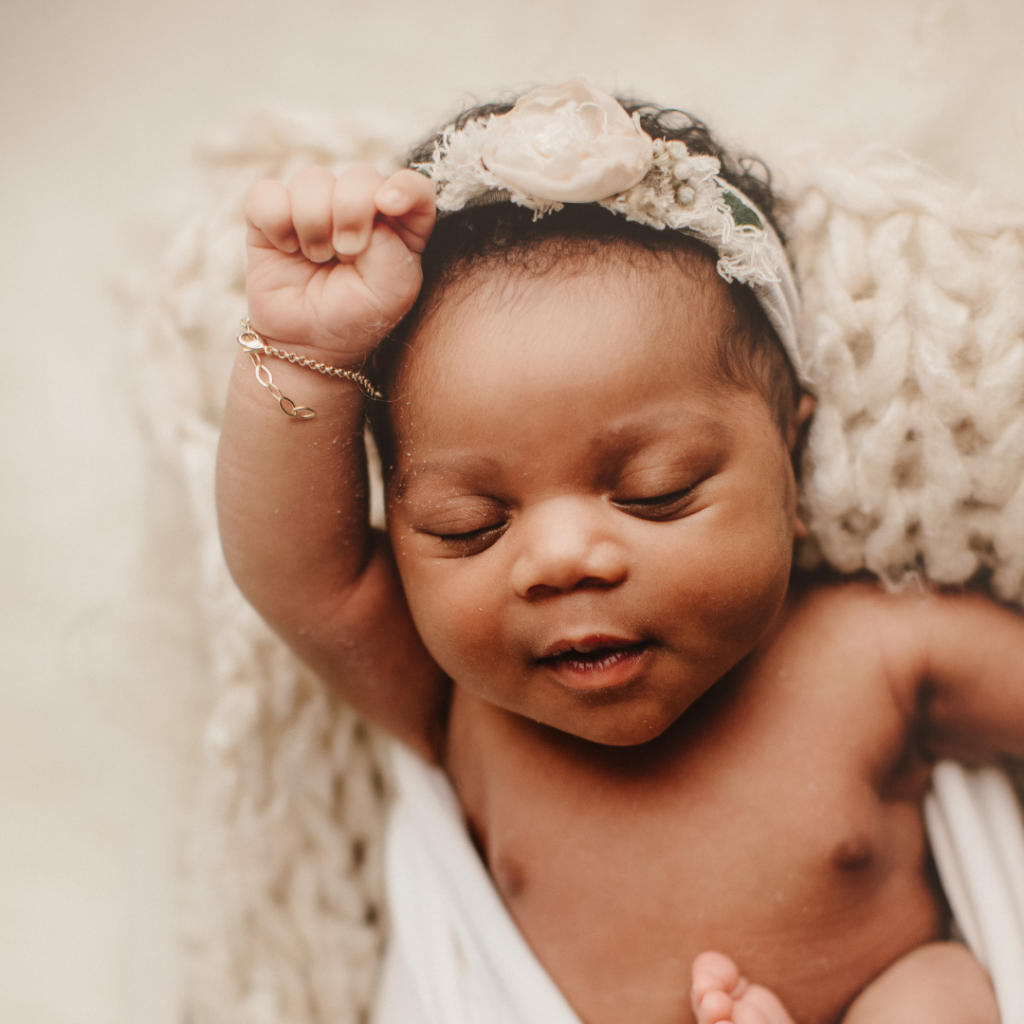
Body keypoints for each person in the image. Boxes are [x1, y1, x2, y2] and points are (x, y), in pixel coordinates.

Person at [216, 80, 1015, 1023]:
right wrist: (304, 349)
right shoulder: (461, 708)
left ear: (791, 464)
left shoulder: (875, 655)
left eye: (657, 492)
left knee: (937, 998)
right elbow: (298, 577)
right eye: (468, 526)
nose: (561, 560)